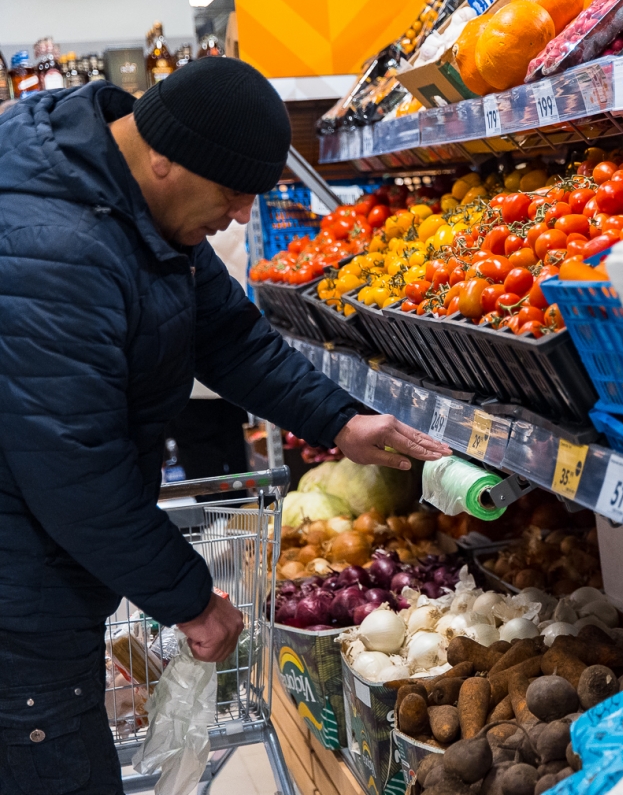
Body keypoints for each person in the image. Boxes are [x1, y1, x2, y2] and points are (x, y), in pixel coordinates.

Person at [0, 57, 451, 795]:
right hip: (18, 597)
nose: (242, 216)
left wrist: (340, 421)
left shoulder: (129, 197)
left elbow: (230, 337)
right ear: (165, 160)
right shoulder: (57, 252)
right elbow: (75, 469)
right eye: (233, 193)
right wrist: (189, 600)